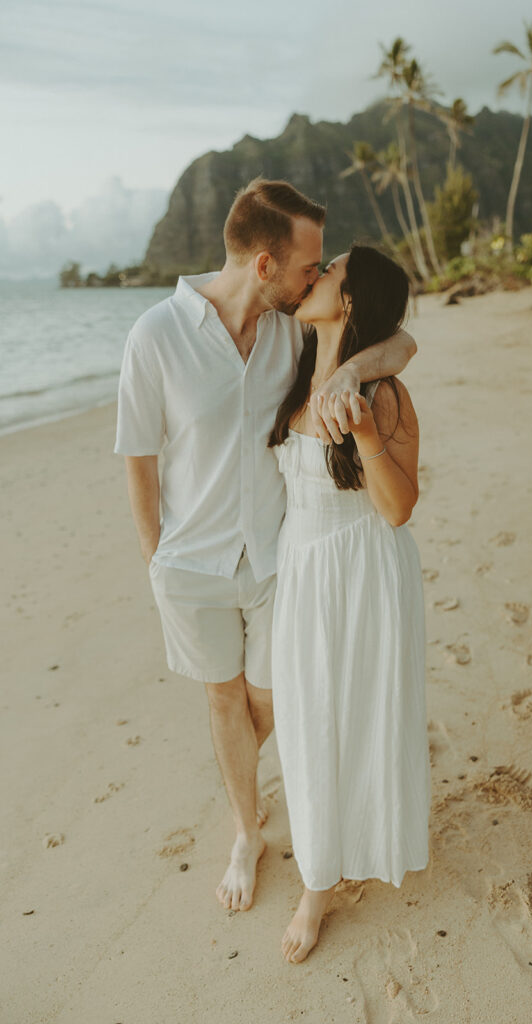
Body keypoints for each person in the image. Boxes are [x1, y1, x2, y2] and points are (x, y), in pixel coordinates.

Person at [114, 179, 416, 914]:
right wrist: (156, 557)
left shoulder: (291, 328)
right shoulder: (156, 335)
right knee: (224, 700)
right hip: (191, 562)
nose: (316, 274)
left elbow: (400, 338)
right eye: (309, 262)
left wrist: (352, 368)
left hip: (281, 558)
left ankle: (277, 813)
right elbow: (137, 458)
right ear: (263, 263)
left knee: (269, 698)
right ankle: (245, 832)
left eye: (322, 267)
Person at [269, 245, 430, 963]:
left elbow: (397, 510)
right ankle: (318, 869)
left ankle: (324, 883)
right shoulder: (295, 370)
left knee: (360, 718)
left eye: (328, 269)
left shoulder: (385, 394)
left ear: (352, 298)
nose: (314, 273)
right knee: (308, 723)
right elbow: (404, 337)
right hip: (301, 572)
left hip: (363, 567)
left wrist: (364, 430)